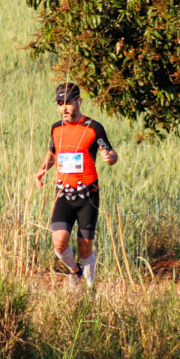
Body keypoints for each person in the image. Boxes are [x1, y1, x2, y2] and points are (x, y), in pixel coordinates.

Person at [34, 83, 118, 289]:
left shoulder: (94, 127)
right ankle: (75, 272)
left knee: (85, 247)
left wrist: (110, 158)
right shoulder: (56, 128)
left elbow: (111, 153)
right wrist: (42, 169)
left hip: (87, 195)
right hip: (63, 193)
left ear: (79, 101)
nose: (64, 108)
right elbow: (53, 153)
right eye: (60, 104)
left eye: (68, 103)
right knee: (59, 242)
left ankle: (90, 290)